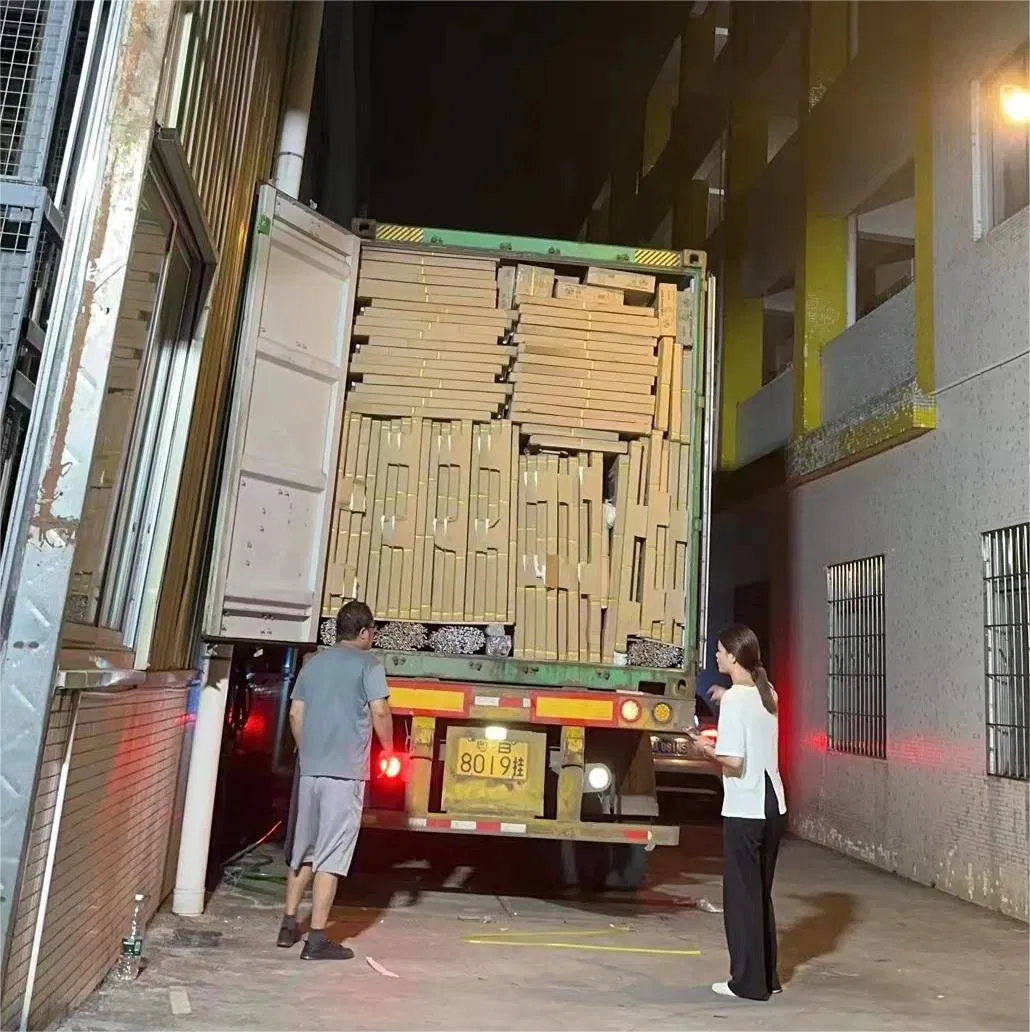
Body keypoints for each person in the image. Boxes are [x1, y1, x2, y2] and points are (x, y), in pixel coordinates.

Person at [276, 600, 394, 960]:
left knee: (304, 848)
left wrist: (308, 751)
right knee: (331, 854)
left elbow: (295, 713)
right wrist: (390, 749)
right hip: (344, 775)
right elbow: (380, 711)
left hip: (310, 772)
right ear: (364, 632)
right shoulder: (369, 665)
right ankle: (316, 940)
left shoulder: (313, 664)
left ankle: (288, 925)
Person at [695, 623, 786, 1001]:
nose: (716, 656)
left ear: (733, 656)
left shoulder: (736, 700)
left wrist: (703, 747)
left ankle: (746, 983)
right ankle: (767, 977)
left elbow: (733, 761)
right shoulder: (768, 693)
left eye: (720, 651)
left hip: (746, 807)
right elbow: (747, 708)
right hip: (773, 804)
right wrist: (725, 695)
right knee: (759, 895)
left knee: (741, 898)